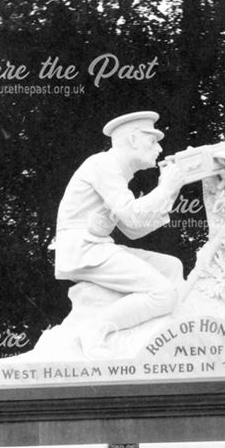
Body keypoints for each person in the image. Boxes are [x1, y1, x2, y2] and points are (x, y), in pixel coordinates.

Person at [54, 111, 187, 355]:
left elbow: (134, 230)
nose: (159, 149)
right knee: (162, 292)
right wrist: (164, 188)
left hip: (96, 246)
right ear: (134, 140)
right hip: (84, 249)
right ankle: (95, 332)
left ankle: (177, 327)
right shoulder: (103, 165)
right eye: (153, 141)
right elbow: (133, 215)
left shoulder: (115, 172)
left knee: (172, 266)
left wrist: (170, 192)